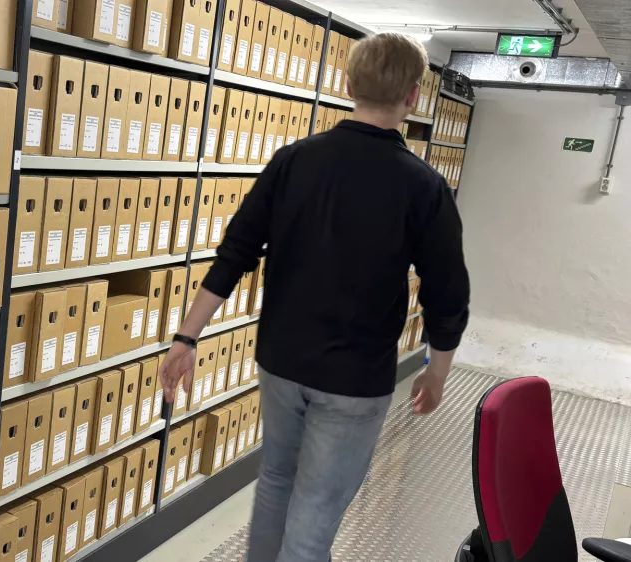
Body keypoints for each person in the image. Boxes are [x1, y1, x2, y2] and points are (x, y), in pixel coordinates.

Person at [158, 32, 470, 562]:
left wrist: (186, 337)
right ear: (414, 97)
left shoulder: (292, 160)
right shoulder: (424, 186)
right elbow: (447, 292)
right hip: (354, 378)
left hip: (281, 361)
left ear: (347, 85)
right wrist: (436, 370)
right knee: (317, 510)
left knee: (276, 482)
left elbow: (236, 252)